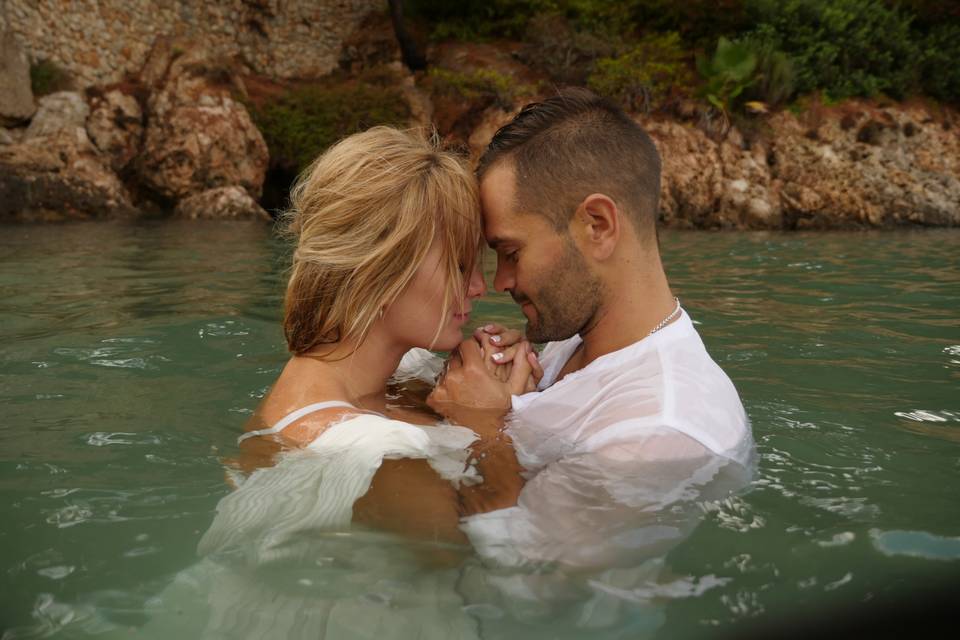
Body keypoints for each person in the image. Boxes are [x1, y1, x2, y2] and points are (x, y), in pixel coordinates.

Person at [424, 89, 756, 576]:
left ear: (597, 225)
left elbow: (525, 584)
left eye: (512, 252)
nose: (501, 282)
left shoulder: (656, 436)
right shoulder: (576, 341)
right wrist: (516, 392)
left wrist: (480, 426)